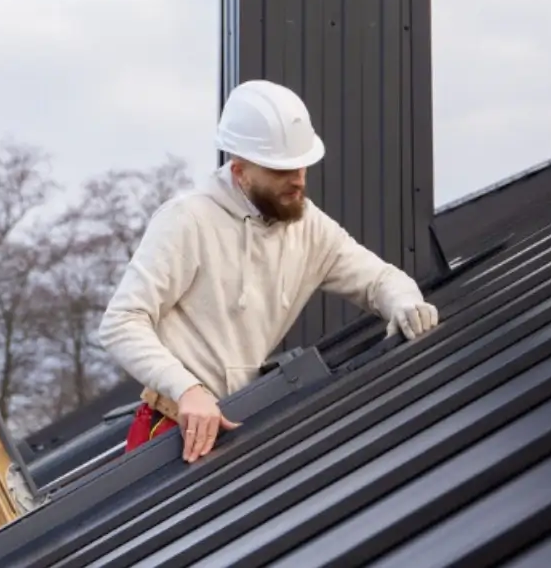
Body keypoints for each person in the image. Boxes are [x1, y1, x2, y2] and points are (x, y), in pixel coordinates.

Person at [98, 79, 440, 463]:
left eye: (301, 165)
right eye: (281, 170)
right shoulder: (187, 221)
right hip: (173, 432)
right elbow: (121, 322)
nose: (298, 179)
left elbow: (380, 279)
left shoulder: (309, 228)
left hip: (238, 427)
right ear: (240, 169)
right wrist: (187, 389)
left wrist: (405, 302)